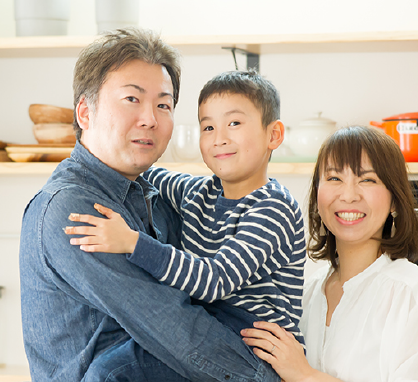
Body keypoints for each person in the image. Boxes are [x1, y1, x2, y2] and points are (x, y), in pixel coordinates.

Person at [20, 28, 279, 382]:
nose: (150, 119)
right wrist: (275, 375)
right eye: (132, 99)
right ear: (84, 113)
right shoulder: (71, 209)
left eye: (163, 104)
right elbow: (171, 324)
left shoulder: (155, 193)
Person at [64, 70, 307, 371]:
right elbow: (143, 169)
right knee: (115, 361)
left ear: (274, 135)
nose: (219, 138)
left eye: (234, 123)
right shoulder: (198, 192)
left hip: (258, 350)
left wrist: (132, 242)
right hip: (210, 330)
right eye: (208, 127)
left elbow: (214, 280)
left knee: (112, 371)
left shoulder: (273, 207)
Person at [240, 125, 418, 382]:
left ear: (395, 199)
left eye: (367, 180)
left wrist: (304, 375)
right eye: (334, 178)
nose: (349, 195)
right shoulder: (306, 294)